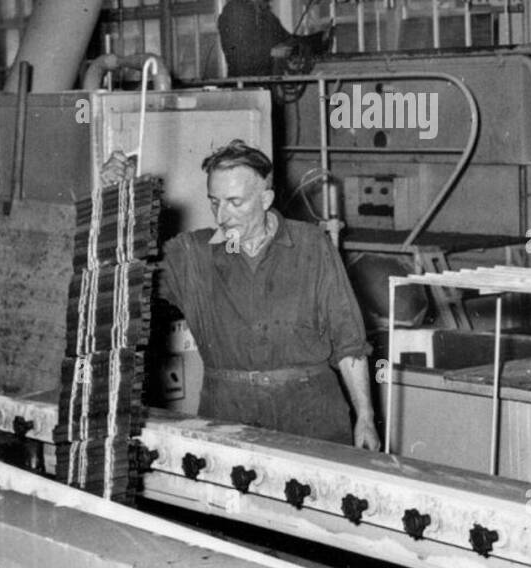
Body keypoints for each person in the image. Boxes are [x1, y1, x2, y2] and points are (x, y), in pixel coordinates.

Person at [156, 139, 381, 449]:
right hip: (229, 421)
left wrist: (365, 416)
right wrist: (116, 194)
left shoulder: (311, 247)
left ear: (265, 199)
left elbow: (349, 342)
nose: (222, 216)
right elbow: (125, 265)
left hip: (311, 420)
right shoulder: (193, 256)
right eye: (214, 202)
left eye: (235, 202)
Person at [217, 0, 330, 78]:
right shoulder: (234, 11)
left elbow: (288, 40)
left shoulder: (265, 15)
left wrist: (319, 39)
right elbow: (237, 57)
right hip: (244, 87)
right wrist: (270, 53)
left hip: (266, 83)